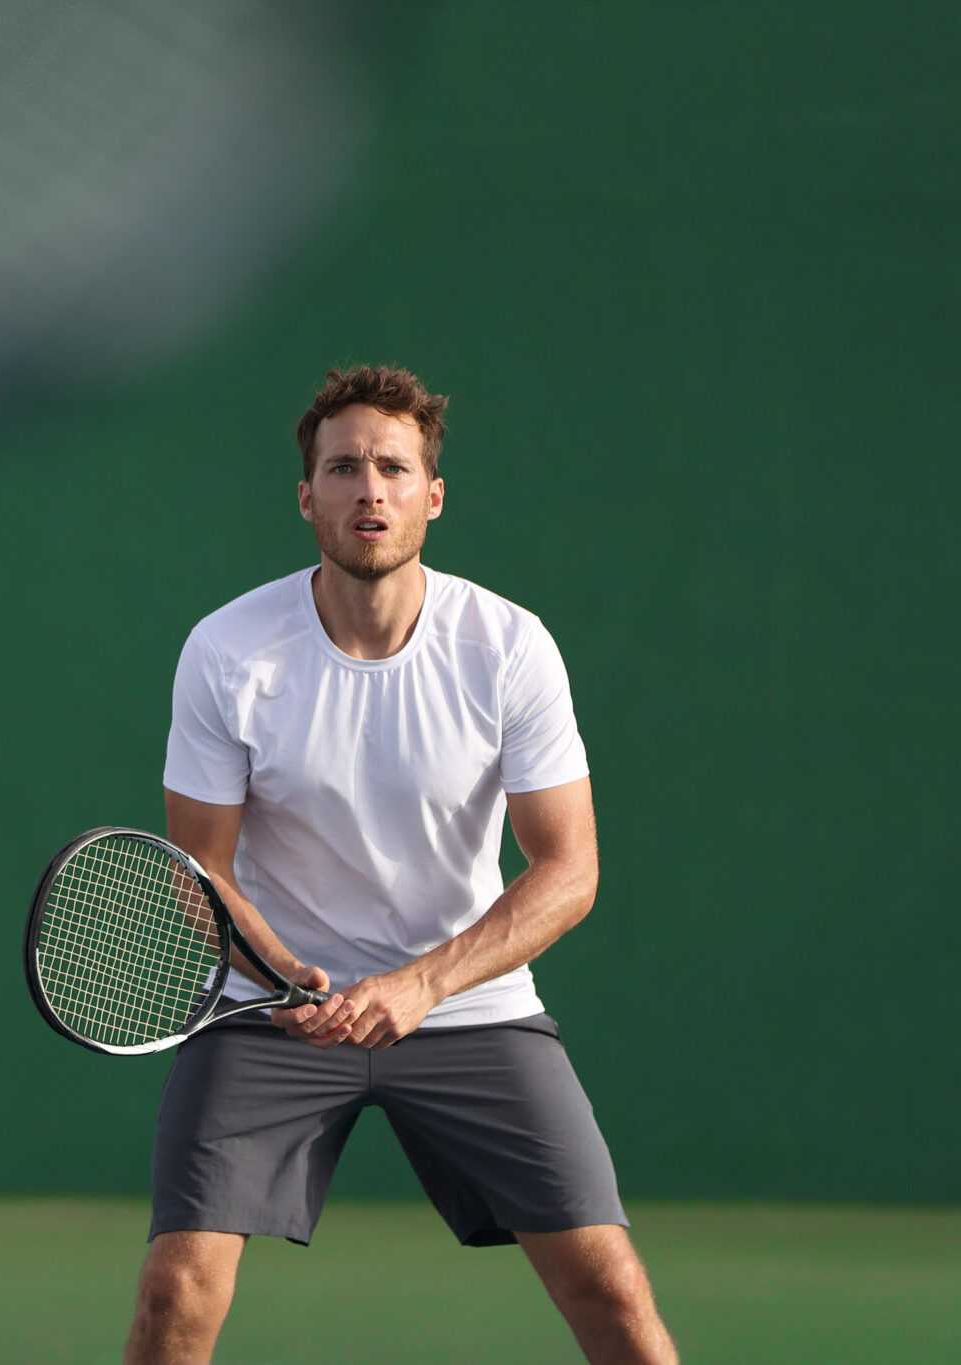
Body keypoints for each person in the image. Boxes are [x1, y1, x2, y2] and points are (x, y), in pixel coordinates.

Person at [126, 366, 678, 1364]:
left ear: (431, 495)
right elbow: (196, 868)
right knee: (174, 1295)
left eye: (390, 467)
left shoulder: (506, 647)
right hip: (273, 1012)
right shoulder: (227, 651)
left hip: (464, 1006)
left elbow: (568, 870)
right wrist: (278, 977)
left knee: (609, 1287)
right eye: (341, 468)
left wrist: (420, 983)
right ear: (307, 498)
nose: (366, 490)